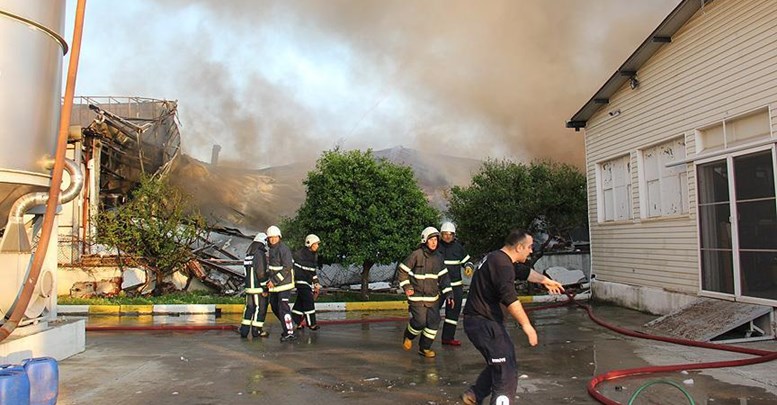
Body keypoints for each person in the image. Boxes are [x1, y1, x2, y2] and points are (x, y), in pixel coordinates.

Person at [461, 229, 564, 405]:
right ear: (519, 247)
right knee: (505, 372)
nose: (532, 251)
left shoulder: (497, 258)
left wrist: (545, 281)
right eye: (530, 247)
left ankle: (474, 395)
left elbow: (524, 272)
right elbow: (509, 298)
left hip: (480, 322)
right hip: (485, 323)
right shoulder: (502, 265)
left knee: (501, 360)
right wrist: (527, 326)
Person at [397, 226, 453, 358]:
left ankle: (424, 348)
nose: (434, 242)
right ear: (424, 240)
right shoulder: (416, 255)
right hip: (416, 297)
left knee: (434, 323)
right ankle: (408, 336)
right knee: (420, 322)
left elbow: (444, 278)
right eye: (431, 239)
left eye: (436, 240)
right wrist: (407, 287)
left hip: (433, 298)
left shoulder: (439, 258)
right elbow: (403, 271)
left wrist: (449, 293)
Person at [437, 221, 472, 346]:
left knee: (453, 313)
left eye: (450, 234)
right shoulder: (436, 247)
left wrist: (468, 267)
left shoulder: (458, 248)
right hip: (439, 286)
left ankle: (448, 338)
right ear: (441, 235)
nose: (447, 236)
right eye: (445, 234)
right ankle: (426, 340)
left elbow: (468, 261)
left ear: (454, 235)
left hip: (455, 286)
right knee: (433, 312)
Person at [265, 225, 297, 342]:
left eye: (275, 237)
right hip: (276, 285)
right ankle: (289, 324)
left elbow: (287, 267)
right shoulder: (272, 249)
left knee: (283, 308)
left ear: (279, 237)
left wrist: (274, 281)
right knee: (274, 305)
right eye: (270, 238)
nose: (273, 240)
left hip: (284, 284)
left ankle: (289, 332)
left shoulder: (284, 249)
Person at [239, 232, 270, 338]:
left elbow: (245, 271)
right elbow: (261, 272)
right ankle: (257, 331)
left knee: (249, 308)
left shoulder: (249, 254)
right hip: (258, 287)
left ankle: (244, 330)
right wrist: (265, 286)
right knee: (260, 308)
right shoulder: (259, 254)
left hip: (249, 287)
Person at [292, 234, 322, 330]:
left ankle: (295, 320)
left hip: (307, 282)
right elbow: (296, 270)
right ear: (310, 244)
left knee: (300, 303)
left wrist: (316, 283)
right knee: (309, 301)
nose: (317, 246)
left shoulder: (312, 256)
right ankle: (311, 323)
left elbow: (312, 271)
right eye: (316, 244)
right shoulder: (300, 255)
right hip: (301, 282)